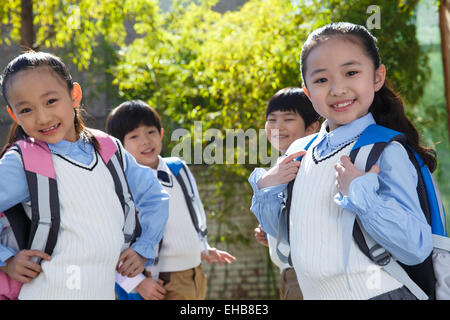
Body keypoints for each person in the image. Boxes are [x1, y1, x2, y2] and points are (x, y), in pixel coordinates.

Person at [251, 22, 436, 300]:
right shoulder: (300, 150)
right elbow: (288, 240)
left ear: (377, 77)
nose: (337, 89)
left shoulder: (384, 150)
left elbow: (415, 246)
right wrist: (268, 187)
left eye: (351, 72)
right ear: (308, 91)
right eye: (322, 79)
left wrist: (362, 195)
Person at [0, 51, 169, 300]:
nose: (43, 117)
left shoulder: (109, 149)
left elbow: (155, 196)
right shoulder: (23, 161)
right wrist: (7, 260)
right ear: (14, 115)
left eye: (51, 101)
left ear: (74, 95)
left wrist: (143, 248)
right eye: (26, 109)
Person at [106, 100, 236, 300]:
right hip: (157, 282)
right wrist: (138, 283)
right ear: (119, 147)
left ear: (162, 134)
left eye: (151, 132)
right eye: (134, 136)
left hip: (195, 274)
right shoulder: (120, 186)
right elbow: (110, 242)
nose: (146, 141)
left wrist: (201, 248)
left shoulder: (178, 169)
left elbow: (193, 212)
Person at [249, 87, 320, 300]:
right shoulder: (280, 167)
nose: (277, 127)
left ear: (312, 127)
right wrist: (272, 233)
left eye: (288, 119)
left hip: (306, 276)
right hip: (288, 275)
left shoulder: (310, 167)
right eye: (272, 120)